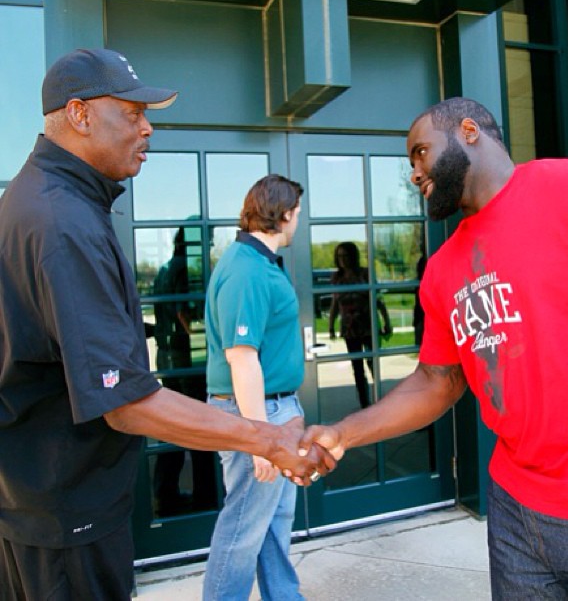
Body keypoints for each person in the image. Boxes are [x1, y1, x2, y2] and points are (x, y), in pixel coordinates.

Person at [0, 48, 333, 600]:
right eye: (132, 113)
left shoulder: (43, 201)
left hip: (41, 504)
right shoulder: (62, 222)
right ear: (79, 115)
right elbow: (126, 402)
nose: (147, 127)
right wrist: (267, 438)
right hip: (65, 516)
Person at [300, 97, 568, 599]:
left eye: (420, 152)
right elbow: (436, 381)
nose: (414, 173)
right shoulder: (444, 268)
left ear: (469, 130)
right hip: (514, 507)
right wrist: (343, 432)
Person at [203, 174, 307, 601]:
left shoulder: (258, 263)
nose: (298, 221)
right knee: (243, 529)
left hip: (274, 410)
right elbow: (242, 359)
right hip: (255, 413)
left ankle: (284, 596)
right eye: (297, 213)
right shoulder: (245, 270)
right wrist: (260, 438)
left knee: (274, 521)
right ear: (283, 215)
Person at [152, 227, 216, 516]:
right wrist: (208, 336)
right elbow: (183, 313)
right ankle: (206, 497)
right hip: (186, 358)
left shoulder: (164, 269)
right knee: (201, 427)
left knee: (174, 428)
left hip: (167, 356)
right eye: (208, 239)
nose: (210, 244)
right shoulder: (183, 270)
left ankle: (166, 494)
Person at [328, 241, 392, 408]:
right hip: (349, 327)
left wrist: (387, 321)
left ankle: (380, 401)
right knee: (357, 367)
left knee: (372, 363)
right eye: (340, 256)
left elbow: (378, 300)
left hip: (368, 324)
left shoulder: (365, 274)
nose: (343, 259)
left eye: (346, 255)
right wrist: (331, 325)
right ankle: (365, 404)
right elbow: (335, 303)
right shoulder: (336, 278)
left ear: (353, 256)